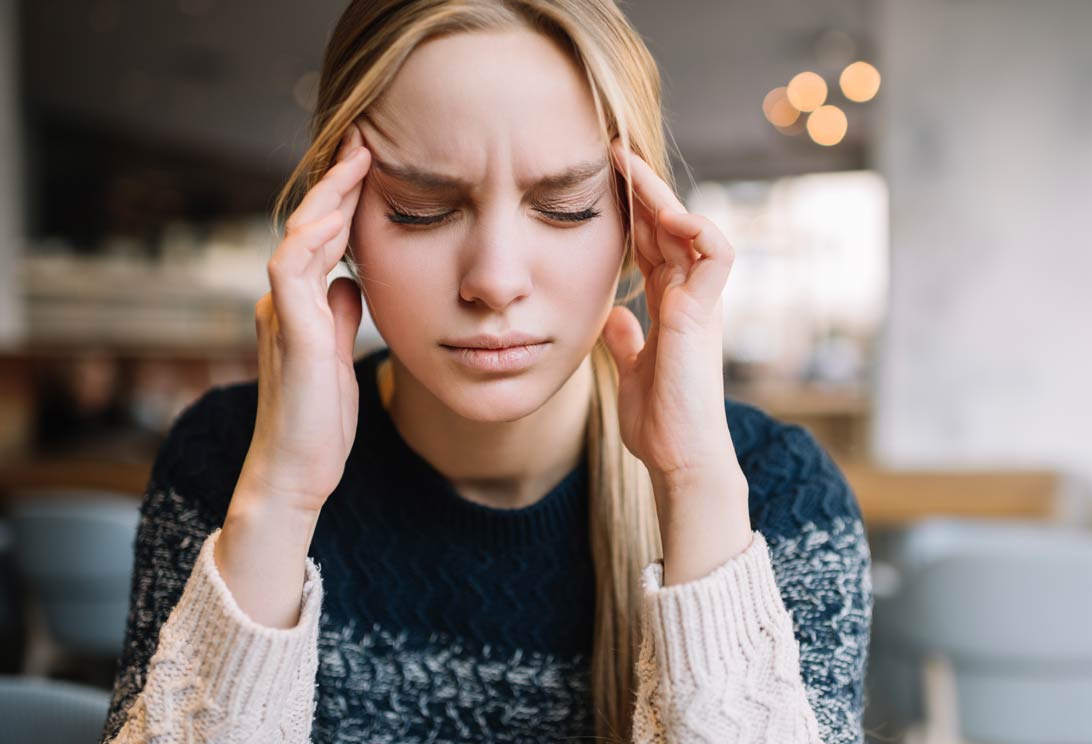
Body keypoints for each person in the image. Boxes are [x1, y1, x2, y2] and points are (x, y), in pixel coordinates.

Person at [99, 1, 873, 742]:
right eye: (420, 208)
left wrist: (697, 484)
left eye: (567, 205)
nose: (495, 280)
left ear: (641, 221)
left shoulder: (776, 499)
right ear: (337, 219)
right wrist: (281, 496)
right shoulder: (227, 466)